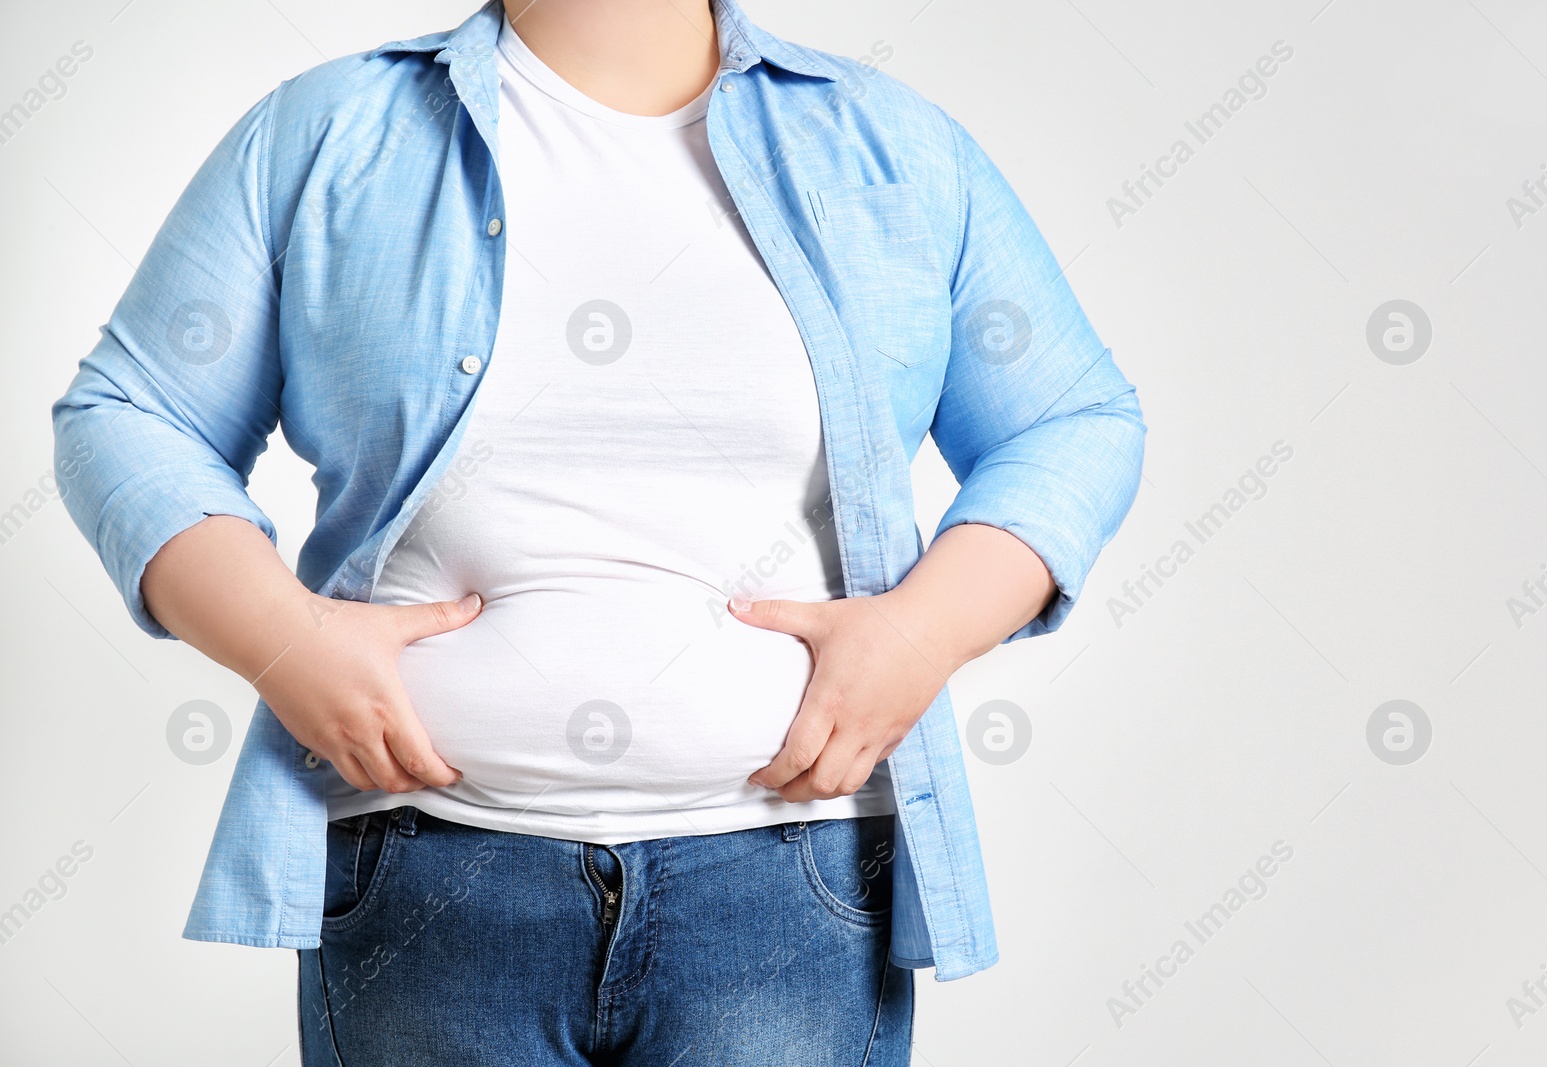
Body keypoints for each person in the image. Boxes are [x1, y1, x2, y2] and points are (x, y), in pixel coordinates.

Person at [50, 0, 1144, 1062]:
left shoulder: (895, 149)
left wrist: (920, 633)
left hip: (790, 894)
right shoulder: (325, 132)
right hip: (423, 881)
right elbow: (129, 414)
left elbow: (1071, 421)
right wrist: (279, 638)